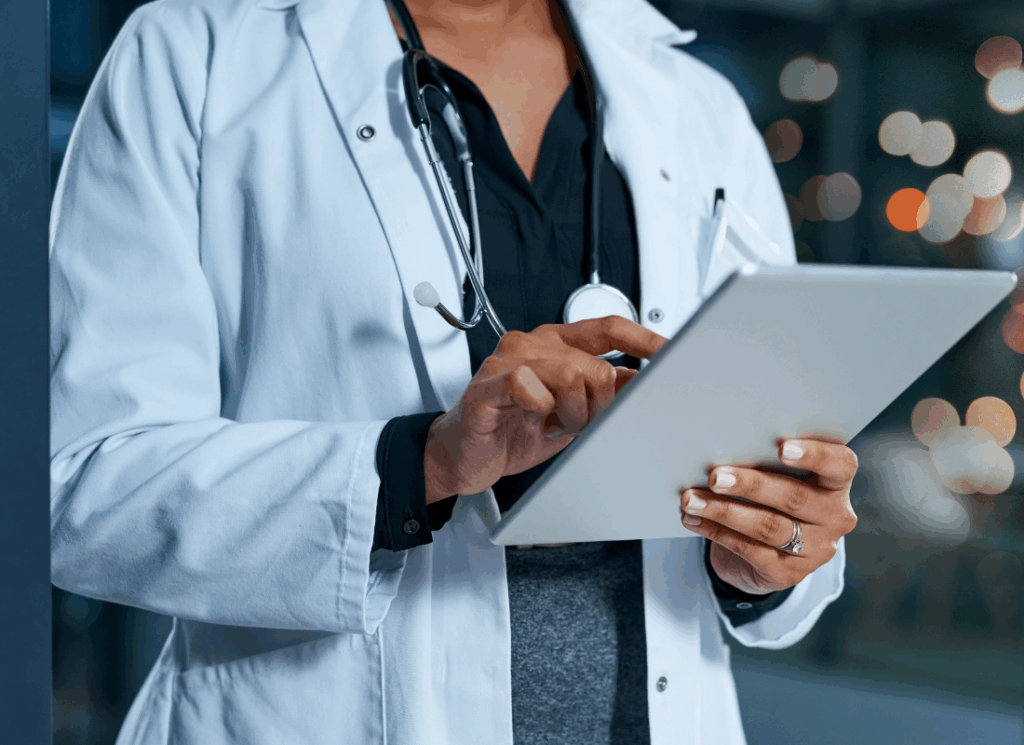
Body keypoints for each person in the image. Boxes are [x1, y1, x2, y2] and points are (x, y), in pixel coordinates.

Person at [49, 0, 859, 742]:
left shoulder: (698, 105)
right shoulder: (197, 55)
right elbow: (80, 484)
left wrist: (771, 555)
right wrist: (425, 464)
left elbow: (773, 513)